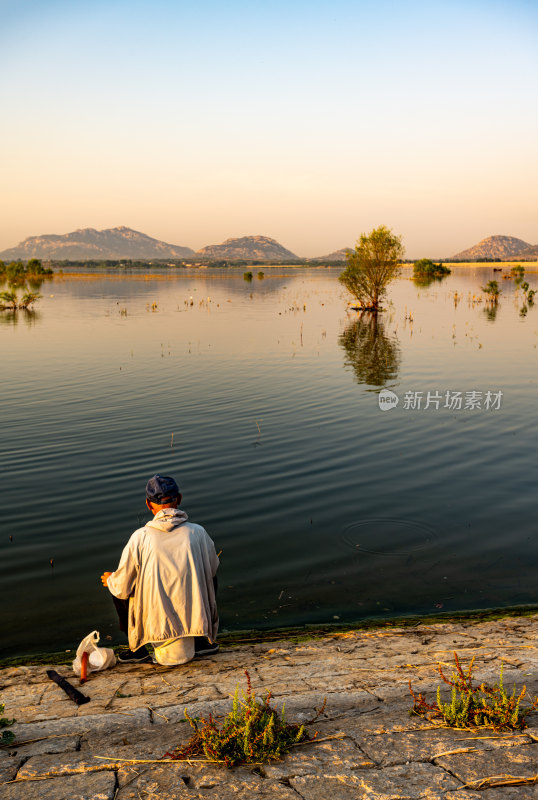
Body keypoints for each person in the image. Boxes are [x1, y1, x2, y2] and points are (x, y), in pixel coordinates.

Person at [101, 474, 219, 665]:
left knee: (117, 587)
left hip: (155, 621)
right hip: (195, 615)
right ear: (179, 499)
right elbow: (212, 569)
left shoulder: (140, 537)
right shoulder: (197, 532)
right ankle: (202, 640)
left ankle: (138, 650)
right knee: (210, 576)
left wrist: (111, 580)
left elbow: (122, 587)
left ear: (149, 505)